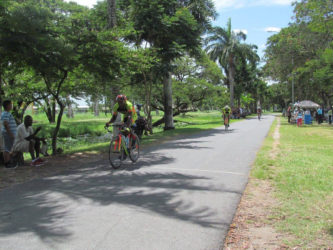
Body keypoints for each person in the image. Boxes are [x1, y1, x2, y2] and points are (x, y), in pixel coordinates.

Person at [1, 100, 18, 169]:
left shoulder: (7, 113)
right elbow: (5, 123)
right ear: (7, 105)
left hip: (10, 133)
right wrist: (10, 133)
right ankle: (7, 163)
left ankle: (9, 161)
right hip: (8, 133)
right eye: (11, 104)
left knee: (10, 148)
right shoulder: (5, 114)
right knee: (7, 149)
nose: (12, 106)